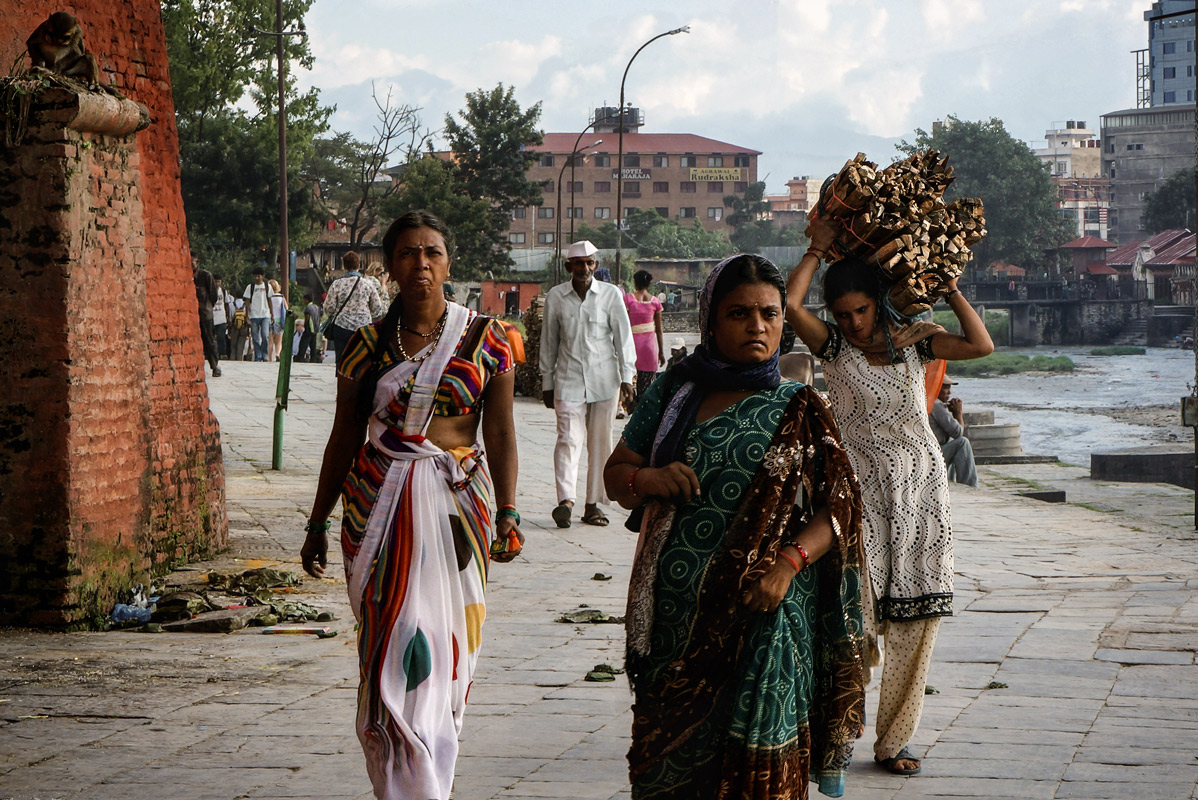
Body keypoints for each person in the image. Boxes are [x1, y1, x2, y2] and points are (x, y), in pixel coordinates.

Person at [603, 253, 866, 799]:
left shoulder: (800, 405)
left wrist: (788, 565)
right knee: (668, 773)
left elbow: (839, 508)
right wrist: (650, 479)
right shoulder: (676, 391)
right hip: (676, 622)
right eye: (740, 313)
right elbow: (616, 475)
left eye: (770, 314)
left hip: (765, 611)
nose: (758, 326)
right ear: (711, 320)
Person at [300, 210, 523, 800]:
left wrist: (509, 510)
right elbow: (343, 434)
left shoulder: (487, 338)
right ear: (390, 267)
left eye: (432, 253)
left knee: (448, 646)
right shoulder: (368, 345)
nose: (421, 264)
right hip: (377, 503)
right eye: (407, 254)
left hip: (457, 507)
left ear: (449, 263)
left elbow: (498, 433)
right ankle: (404, 779)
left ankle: (430, 774)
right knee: (390, 644)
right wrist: (317, 519)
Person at [786, 215, 994, 776]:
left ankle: (894, 741)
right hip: (860, 492)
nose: (853, 323)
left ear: (880, 303)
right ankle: (834, 730)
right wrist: (815, 249)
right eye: (844, 313)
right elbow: (789, 306)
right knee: (851, 611)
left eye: (862, 310)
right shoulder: (832, 350)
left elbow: (982, 343)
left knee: (917, 618)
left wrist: (945, 285)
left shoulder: (912, 344)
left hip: (922, 491)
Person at [540, 240, 636, 528]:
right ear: (568, 266)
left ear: (596, 264)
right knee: (568, 439)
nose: (585, 268)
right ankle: (565, 501)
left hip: (605, 381)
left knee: (600, 443)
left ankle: (592, 504)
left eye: (590, 262)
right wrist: (547, 381)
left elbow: (624, 338)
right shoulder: (556, 297)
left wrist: (627, 378)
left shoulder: (610, 295)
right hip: (567, 380)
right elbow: (548, 342)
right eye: (579, 263)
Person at [323, 250, 384, 367]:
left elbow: (329, 307)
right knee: (362, 360)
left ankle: (342, 380)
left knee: (341, 360)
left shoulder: (337, 284)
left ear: (344, 265)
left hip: (341, 326)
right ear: (358, 265)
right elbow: (377, 308)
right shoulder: (367, 284)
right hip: (363, 327)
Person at [624, 270, 665, 404]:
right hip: (649, 347)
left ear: (635, 283)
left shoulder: (628, 299)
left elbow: (622, 325)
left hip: (632, 345)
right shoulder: (655, 302)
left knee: (627, 380)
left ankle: (629, 404)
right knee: (646, 386)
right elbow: (659, 331)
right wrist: (661, 352)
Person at [928, 378, 978, 487]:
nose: (949, 392)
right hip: (931, 455)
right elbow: (958, 432)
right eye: (945, 388)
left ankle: (949, 481)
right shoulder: (935, 405)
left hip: (929, 452)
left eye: (949, 388)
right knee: (962, 443)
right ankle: (970, 486)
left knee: (949, 441)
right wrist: (958, 413)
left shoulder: (927, 401)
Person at [193, 262, 221, 377]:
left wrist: (207, 306)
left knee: (209, 340)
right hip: (192, 314)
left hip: (205, 313)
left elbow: (213, 295)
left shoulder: (205, 276)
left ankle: (215, 366)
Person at [243, 268, 271, 362]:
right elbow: (247, 301)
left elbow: (270, 300)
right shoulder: (250, 287)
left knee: (265, 335)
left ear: (262, 276)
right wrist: (247, 315)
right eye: (255, 276)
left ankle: (265, 354)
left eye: (258, 276)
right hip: (254, 315)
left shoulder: (267, 286)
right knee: (255, 337)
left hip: (265, 314)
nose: (257, 278)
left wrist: (272, 313)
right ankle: (258, 356)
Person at [296, 293, 321, 363]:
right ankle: (313, 358)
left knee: (303, 343)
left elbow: (307, 317)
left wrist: (305, 325)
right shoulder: (316, 307)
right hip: (316, 328)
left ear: (307, 300)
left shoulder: (308, 308)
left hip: (309, 328)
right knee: (313, 344)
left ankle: (300, 357)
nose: (303, 301)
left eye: (304, 300)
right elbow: (321, 314)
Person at [212, 276, 232, 360]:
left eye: (218, 282)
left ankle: (223, 354)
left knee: (221, 337)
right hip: (212, 317)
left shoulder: (223, 292)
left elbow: (226, 304)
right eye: (215, 281)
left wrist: (228, 317)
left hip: (221, 318)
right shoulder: (209, 290)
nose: (217, 284)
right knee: (211, 337)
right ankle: (211, 354)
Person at [267, 279, 286, 361]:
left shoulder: (268, 297)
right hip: (279, 320)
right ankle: (277, 354)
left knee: (270, 341)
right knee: (278, 341)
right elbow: (286, 308)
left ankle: (269, 358)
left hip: (269, 319)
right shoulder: (281, 297)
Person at [229, 296, 249, 361]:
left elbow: (230, 316)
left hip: (234, 327)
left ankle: (232, 358)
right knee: (240, 345)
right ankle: (239, 359)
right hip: (243, 327)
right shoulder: (245, 304)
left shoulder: (232, 304)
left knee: (233, 345)